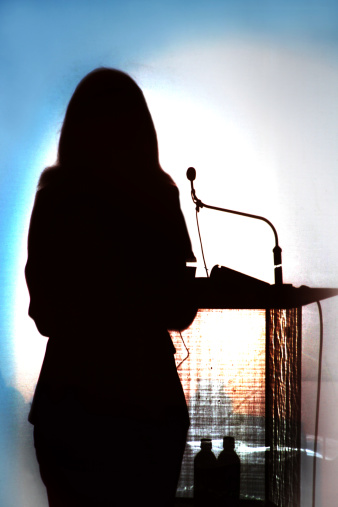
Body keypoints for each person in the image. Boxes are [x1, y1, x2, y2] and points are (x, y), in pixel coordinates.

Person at [25, 68, 197, 506]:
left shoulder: (54, 199)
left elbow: (43, 314)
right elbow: (180, 309)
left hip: (70, 405)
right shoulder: (158, 197)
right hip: (148, 405)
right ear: (143, 132)